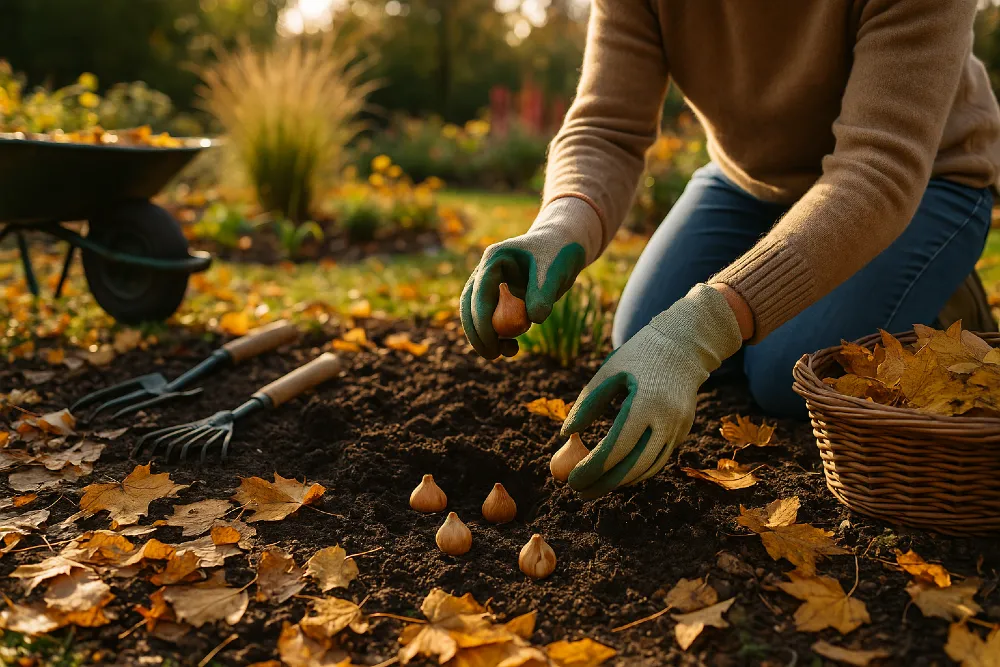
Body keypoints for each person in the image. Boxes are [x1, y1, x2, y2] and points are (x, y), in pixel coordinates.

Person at [461, 0, 1000, 498]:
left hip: (921, 182)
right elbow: (606, 128)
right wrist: (557, 229)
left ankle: (937, 285)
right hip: (751, 183)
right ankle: (791, 275)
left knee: (783, 377)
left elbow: (878, 169)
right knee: (640, 336)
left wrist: (707, 325)